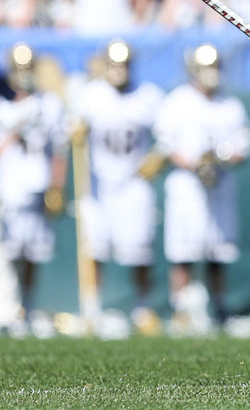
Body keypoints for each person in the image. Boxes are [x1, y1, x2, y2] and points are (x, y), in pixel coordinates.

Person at [155, 43, 250, 334]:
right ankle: (180, 310)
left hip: (219, 184)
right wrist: (195, 164)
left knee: (218, 251)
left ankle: (220, 308)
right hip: (187, 186)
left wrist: (222, 158)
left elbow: (244, 145)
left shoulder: (229, 105)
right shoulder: (177, 101)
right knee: (183, 251)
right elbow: (166, 144)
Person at [69, 39, 165, 335]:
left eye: (123, 65)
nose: (118, 71)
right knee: (94, 246)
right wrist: (77, 132)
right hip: (99, 182)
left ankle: (142, 307)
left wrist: (158, 155)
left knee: (139, 248)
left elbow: (167, 132)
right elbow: (72, 128)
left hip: (134, 182)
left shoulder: (147, 96)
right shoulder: (90, 96)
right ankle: (91, 308)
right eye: (114, 65)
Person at [0, 43, 67, 338]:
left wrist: (57, 186)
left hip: (37, 185)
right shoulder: (4, 106)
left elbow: (59, 149)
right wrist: (15, 130)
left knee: (33, 253)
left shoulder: (49, 103)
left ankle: (27, 307)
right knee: (8, 252)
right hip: (8, 187)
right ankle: (9, 310)